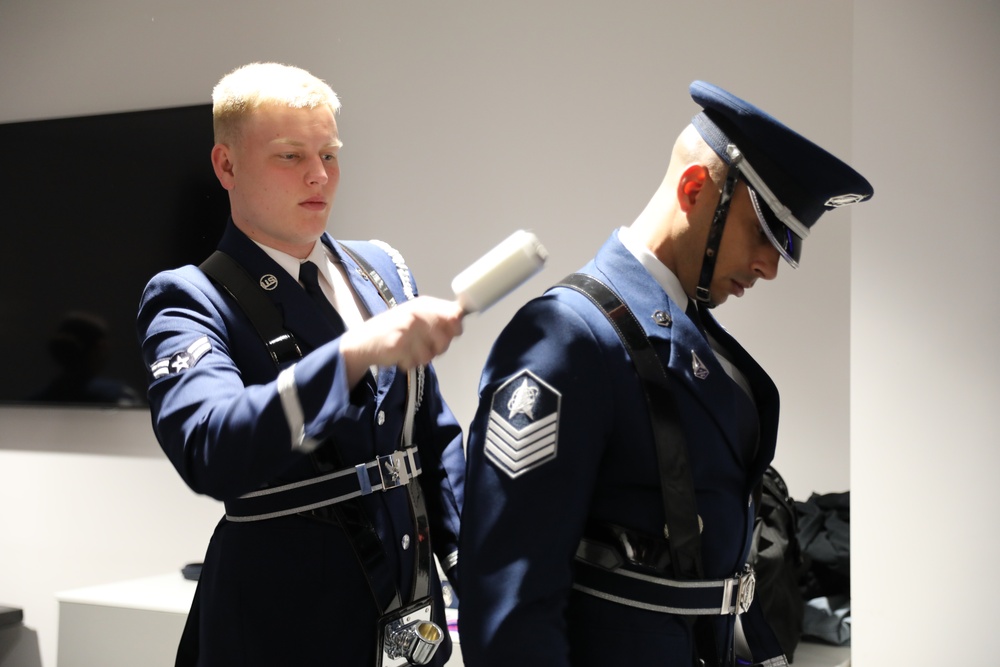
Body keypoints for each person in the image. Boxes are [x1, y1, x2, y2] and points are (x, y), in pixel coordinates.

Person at [458, 81, 873, 667]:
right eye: (764, 232)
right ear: (695, 188)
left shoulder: (687, 329)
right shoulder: (566, 338)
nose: (770, 267)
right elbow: (508, 597)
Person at [136, 62, 466, 667]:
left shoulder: (381, 269)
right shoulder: (189, 297)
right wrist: (350, 355)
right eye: (289, 156)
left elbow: (429, 433)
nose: (319, 176)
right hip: (280, 621)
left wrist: (472, 567)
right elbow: (210, 446)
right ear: (226, 166)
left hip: (407, 614)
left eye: (330, 154)